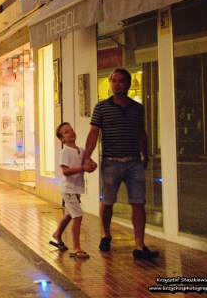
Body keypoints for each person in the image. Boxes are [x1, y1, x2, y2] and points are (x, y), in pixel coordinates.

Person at [82, 68, 159, 260]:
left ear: (129, 84)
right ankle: (105, 234)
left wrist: (145, 155)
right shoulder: (101, 108)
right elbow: (93, 133)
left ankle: (139, 246)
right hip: (111, 162)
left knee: (138, 203)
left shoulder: (137, 108)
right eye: (114, 81)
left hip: (134, 162)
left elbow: (141, 133)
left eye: (121, 81)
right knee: (108, 201)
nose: (117, 84)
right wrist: (86, 157)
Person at [51, 122, 93, 259]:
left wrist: (92, 165)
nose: (71, 133)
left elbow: (89, 163)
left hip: (76, 189)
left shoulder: (81, 150)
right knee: (77, 216)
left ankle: (57, 234)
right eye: (66, 132)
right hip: (68, 189)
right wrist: (82, 169)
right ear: (62, 139)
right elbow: (65, 171)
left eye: (71, 130)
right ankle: (76, 247)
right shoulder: (65, 152)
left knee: (70, 214)